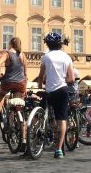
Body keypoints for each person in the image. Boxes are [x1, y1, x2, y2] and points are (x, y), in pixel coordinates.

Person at [35, 31, 75, 159]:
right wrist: (64, 81)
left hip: (49, 91)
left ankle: (37, 136)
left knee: (41, 114)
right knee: (62, 119)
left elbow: (41, 76)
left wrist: (40, 87)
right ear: (60, 44)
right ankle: (58, 149)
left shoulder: (46, 57)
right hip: (62, 90)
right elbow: (72, 79)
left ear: (48, 44)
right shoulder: (66, 57)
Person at [0, 37, 28, 118]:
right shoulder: (23, 55)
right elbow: (25, 74)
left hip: (8, 82)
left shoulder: (7, 53)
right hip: (21, 83)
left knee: (1, 95)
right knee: (18, 105)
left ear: (11, 44)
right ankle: (16, 121)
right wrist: (25, 88)